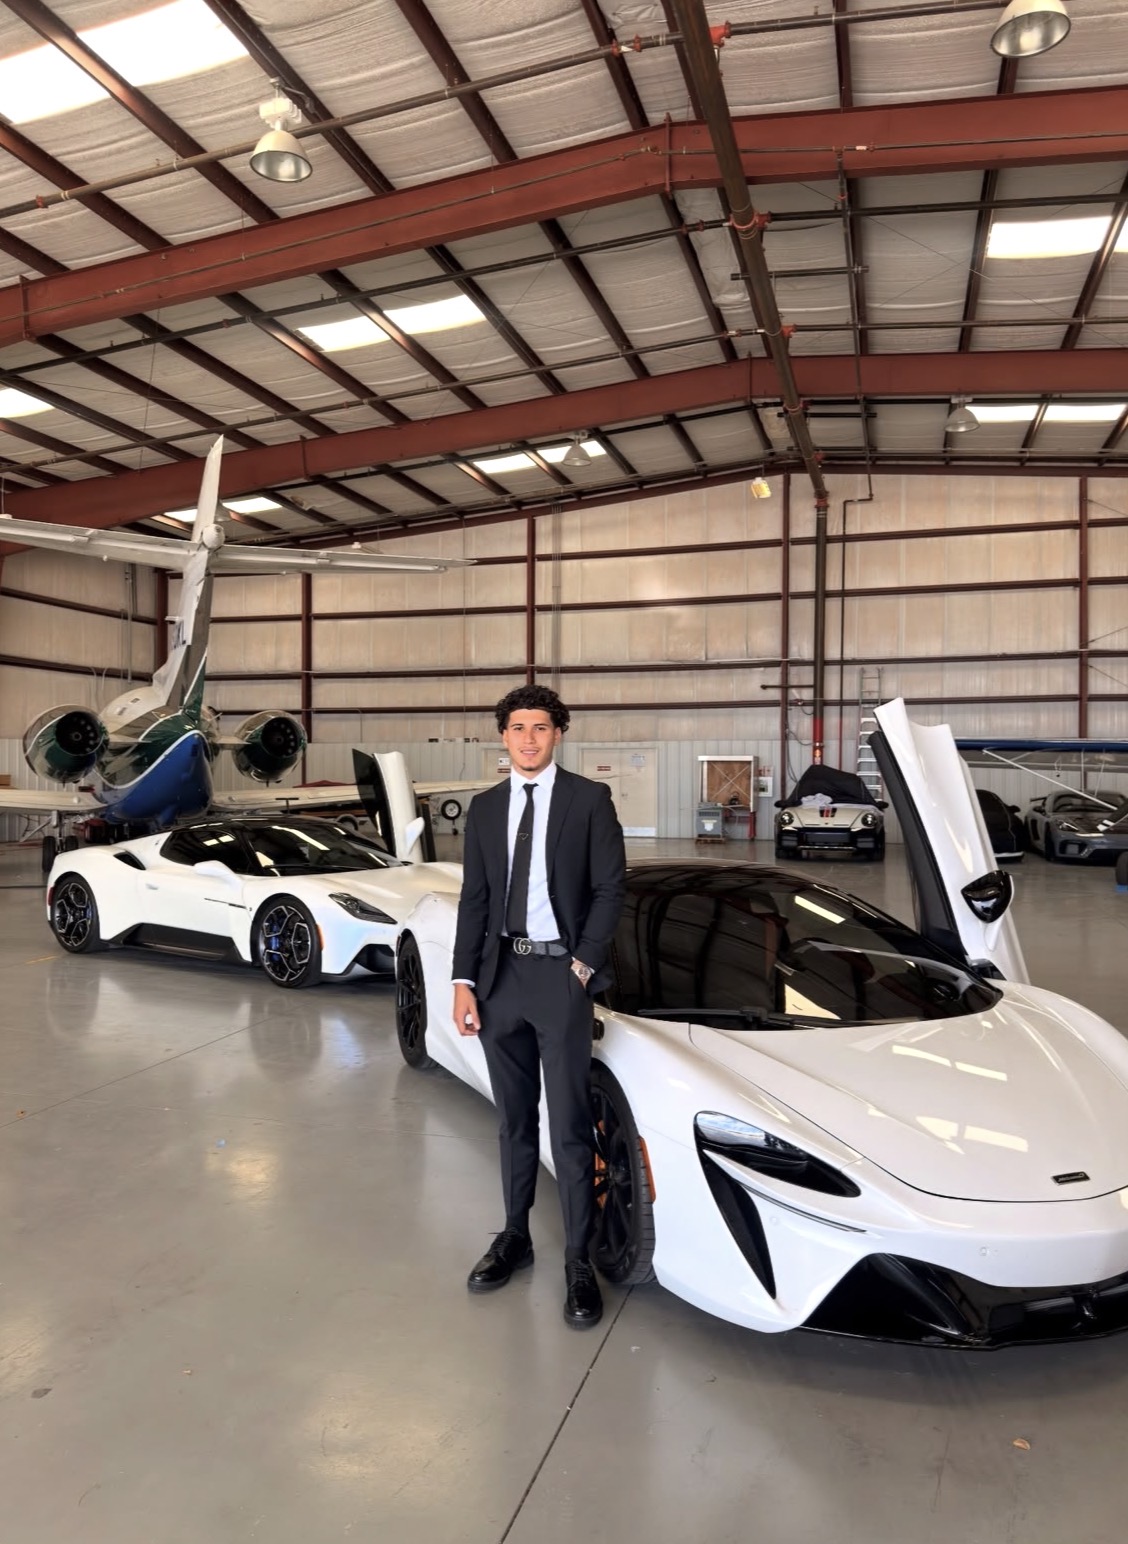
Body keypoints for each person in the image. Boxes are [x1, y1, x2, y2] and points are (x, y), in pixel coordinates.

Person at [451, 685, 626, 1329]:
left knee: (570, 1124)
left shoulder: (589, 800)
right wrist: (463, 981)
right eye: (518, 728)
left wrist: (582, 964)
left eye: (541, 728)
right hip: (500, 977)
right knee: (514, 1120)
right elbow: (475, 898)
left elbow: (610, 888)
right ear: (503, 736)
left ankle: (578, 1259)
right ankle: (515, 1236)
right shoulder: (485, 808)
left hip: (560, 976)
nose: (529, 739)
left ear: (559, 734)